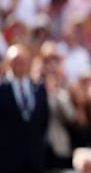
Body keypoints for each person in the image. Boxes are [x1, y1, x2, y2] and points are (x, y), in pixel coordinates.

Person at [0, 44, 49, 173]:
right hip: (7, 158)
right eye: (16, 60)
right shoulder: (2, 89)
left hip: (34, 158)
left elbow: (44, 121)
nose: (20, 64)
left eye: (23, 60)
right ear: (8, 63)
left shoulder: (39, 89)